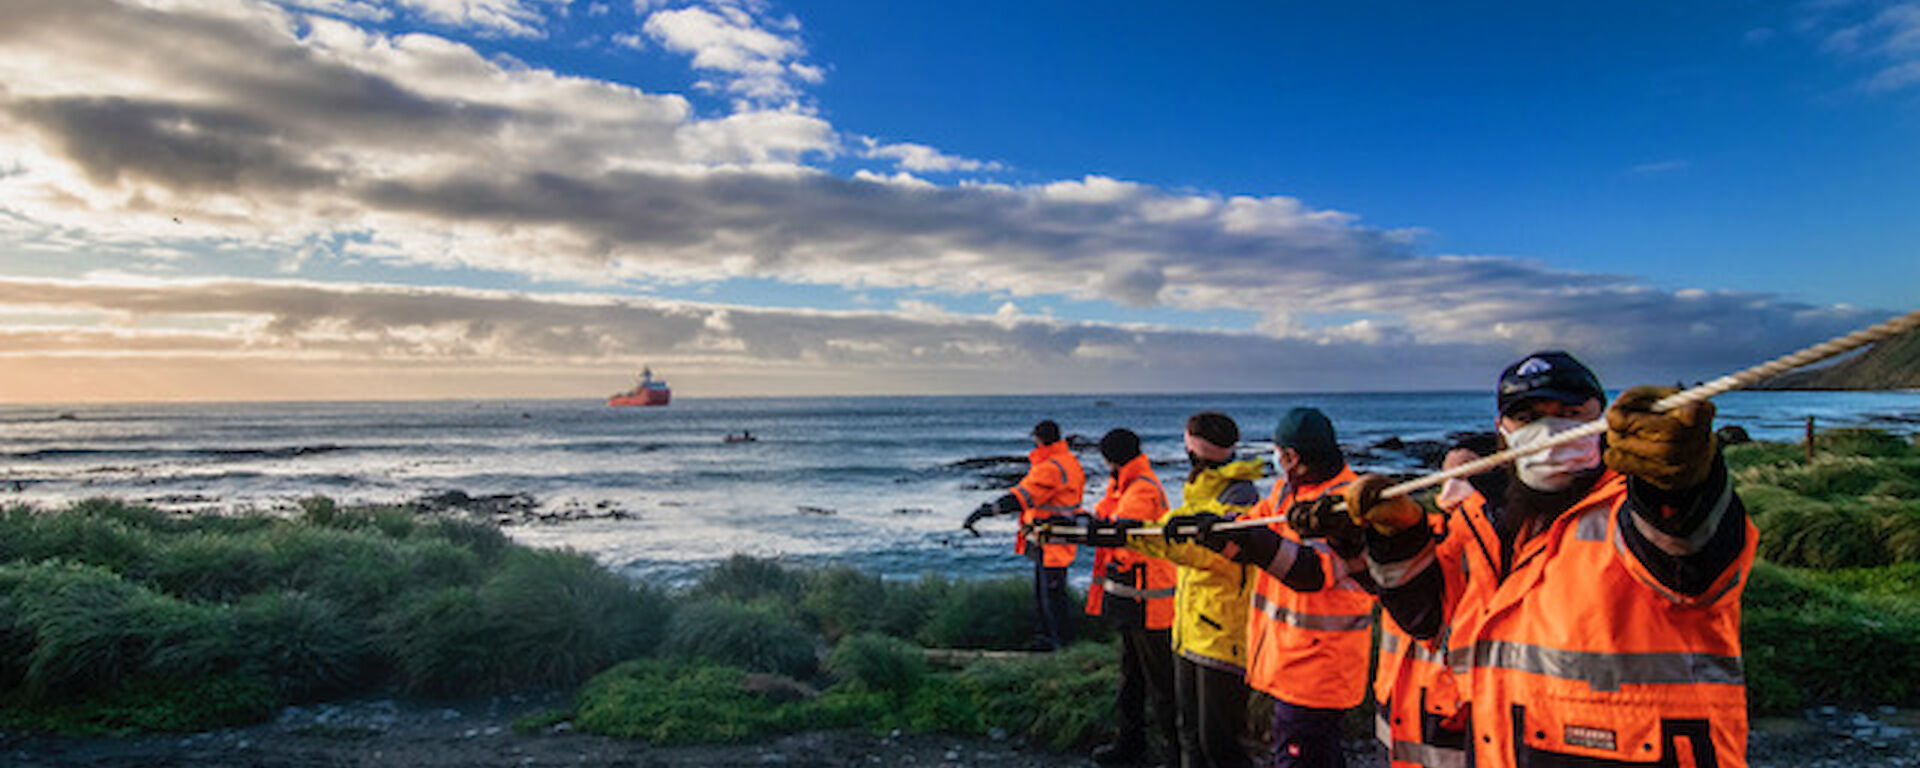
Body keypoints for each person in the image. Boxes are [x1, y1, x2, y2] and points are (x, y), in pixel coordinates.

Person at [1344, 351, 1756, 768]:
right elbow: (1423, 619)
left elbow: (1688, 547)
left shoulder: (1635, 510)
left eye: (1570, 412)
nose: (1548, 430)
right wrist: (1399, 537)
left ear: (1603, 418)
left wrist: (1682, 481)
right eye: (1527, 417)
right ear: (1501, 433)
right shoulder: (1479, 525)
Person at [1167, 408, 1375, 768]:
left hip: (1317, 670)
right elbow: (1254, 527)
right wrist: (1212, 529)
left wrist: (1247, 537)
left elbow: (1310, 573)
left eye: (1279, 453)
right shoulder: (1288, 492)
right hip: (1289, 662)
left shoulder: (1342, 503)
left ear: (1291, 456)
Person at [1062, 413, 1264, 768]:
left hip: (1215, 629)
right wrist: (1095, 527)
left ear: (1193, 447)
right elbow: (1155, 531)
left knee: (1217, 741)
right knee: (1190, 731)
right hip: (1190, 625)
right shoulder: (1198, 490)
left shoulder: (1238, 495)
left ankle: (1154, 751)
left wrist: (1129, 533)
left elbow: (1202, 553)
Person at [1364, 433, 1500, 768]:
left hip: (1455, 724)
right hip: (1397, 716)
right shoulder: (1420, 537)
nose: (1450, 488)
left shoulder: (1495, 547)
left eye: (1465, 475)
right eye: (1445, 476)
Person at [1075, 428, 1180, 766]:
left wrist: (1094, 531)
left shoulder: (1141, 489)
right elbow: (1108, 517)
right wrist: (1087, 521)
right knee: (1131, 679)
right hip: (1135, 600)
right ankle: (1131, 745)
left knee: (1161, 687)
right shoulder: (1126, 484)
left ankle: (1176, 755)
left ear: (1108, 458)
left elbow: (1123, 530)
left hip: (1151, 603)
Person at [962, 419, 1084, 650]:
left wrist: (985, 511)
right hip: (1054, 536)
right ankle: (1052, 640)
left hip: (1051, 538)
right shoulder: (1068, 462)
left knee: (1051, 597)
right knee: (1049, 594)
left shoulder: (1050, 468)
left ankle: (1060, 645)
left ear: (1038, 440)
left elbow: (1021, 498)